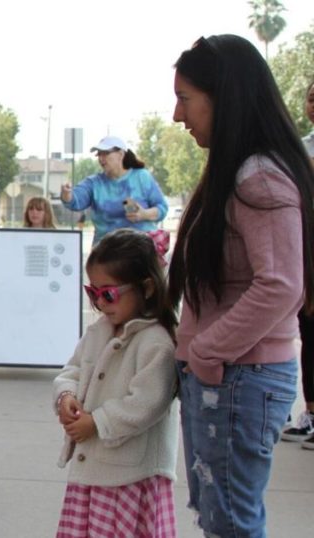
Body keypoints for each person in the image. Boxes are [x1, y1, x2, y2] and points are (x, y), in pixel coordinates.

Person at [169, 35, 314, 536]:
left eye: (185, 99)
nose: (176, 115)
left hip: (238, 379)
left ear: (222, 96)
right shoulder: (241, 172)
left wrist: (207, 352)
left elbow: (281, 285)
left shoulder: (258, 176)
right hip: (228, 377)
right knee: (222, 520)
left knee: (230, 523)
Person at [52, 229, 179, 537]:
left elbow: (148, 403)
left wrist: (96, 422)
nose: (99, 303)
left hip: (131, 479)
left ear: (147, 287)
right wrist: (66, 395)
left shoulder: (156, 342)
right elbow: (73, 368)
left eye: (107, 293)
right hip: (93, 471)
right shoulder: (100, 330)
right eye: (92, 292)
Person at [60, 136, 168, 244]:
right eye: (99, 154)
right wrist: (67, 194)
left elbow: (162, 207)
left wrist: (144, 214)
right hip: (106, 250)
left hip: (140, 248)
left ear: (121, 154)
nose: (101, 158)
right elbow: (76, 200)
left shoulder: (142, 176)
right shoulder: (94, 183)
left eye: (106, 153)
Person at [283, 78, 314, 450]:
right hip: (307, 251)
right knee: (308, 333)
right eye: (309, 97)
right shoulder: (300, 146)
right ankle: (309, 413)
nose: (312, 104)